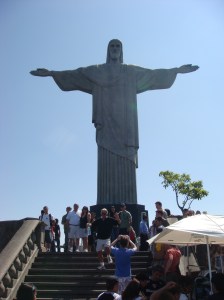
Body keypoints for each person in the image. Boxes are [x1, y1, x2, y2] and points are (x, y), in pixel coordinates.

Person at [30, 39, 199, 205]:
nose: (115, 48)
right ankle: (105, 199)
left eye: (118, 46)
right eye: (112, 46)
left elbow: (153, 75)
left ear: (122, 50)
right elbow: (77, 74)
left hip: (126, 128)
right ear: (107, 50)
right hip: (106, 125)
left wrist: (175, 70)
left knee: (127, 162)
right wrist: (53, 73)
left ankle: (128, 200)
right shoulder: (97, 71)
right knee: (106, 161)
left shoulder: (130, 72)